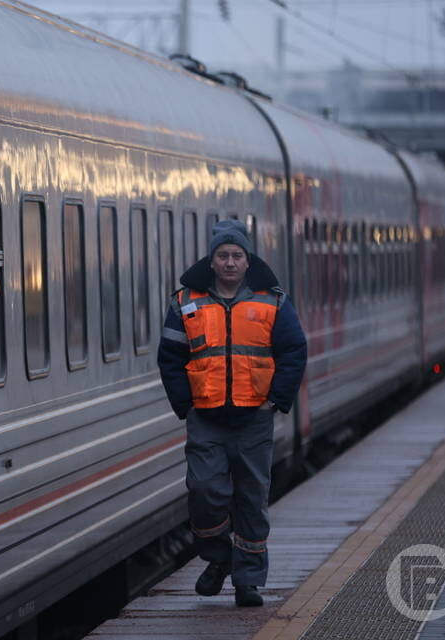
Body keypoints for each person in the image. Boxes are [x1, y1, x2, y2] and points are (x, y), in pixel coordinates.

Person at [157, 219, 307, 607]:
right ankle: (220, 557)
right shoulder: (185, 302)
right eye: (222, 255)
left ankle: (248, 581)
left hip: (254, 415)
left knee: (251, 498)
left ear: (247, 260)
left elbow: (294, 351)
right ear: (212, 261)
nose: (229, 262)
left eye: (236, 255)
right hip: (205, 416)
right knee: (205, 490)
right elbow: (169, 357)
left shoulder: (273, 302)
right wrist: (184, 404)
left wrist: (277, 399)